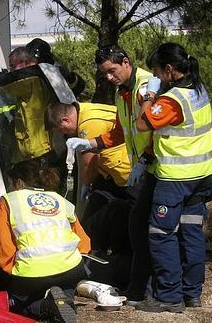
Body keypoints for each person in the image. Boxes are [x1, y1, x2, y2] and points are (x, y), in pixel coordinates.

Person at [65, 44, 155, 304]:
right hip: (141, 169)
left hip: (153, 168)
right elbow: (118, 132)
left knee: (148, 232)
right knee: (137, 229)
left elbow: (155, 128)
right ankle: (139, 287)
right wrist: (90, 144)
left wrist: (145, 158)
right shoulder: (122, 92)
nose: (108, 77)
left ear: (126, 62)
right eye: (104, 73)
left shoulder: (146, 87)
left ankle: (148, 289)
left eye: (112, 71)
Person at [132, 42, 212, 313]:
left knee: (161, 233)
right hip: (202, 174)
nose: (155, 76)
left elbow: (143, 123)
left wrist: (148, 96)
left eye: (157, 71)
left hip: (175, 178)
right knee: (192, 231)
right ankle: (193, 294)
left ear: (169, 70)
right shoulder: (199, 89)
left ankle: (169, 297)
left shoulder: (173, 99)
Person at [0, 160, 91, 321]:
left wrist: (13, 273)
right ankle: (63, 301)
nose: (9, 188)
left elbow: (5, 248)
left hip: (33, 271)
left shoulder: (8, 201)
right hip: (71, 267)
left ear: (19, 182)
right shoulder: (59, 199)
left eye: (10, 183)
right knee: (64, 291)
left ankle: (45, 306)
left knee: (20, 303)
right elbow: (84, 242)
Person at [46, 102, 131, 199]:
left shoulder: (88, 125)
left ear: (65, 120)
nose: (63, 134)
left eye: (61, 130)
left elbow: (90, 164)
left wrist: (85, 185)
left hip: (127, 174)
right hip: (111, 174)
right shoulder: (84, 109)